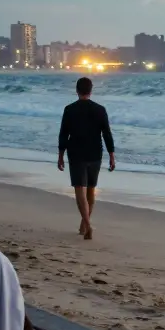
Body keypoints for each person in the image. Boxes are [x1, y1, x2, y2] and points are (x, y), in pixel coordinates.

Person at [57, 77, 116, 239]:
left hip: (76, 153)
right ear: (91, 90)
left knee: (79, 190)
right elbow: (107, 134)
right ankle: (84, 225)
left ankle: (87, 225)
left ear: (77, 90)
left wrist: (60, 155)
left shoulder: (69, 109)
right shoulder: (100, 109)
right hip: (95, 153)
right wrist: (112, 155)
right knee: (90, 189)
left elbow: (63, 134)